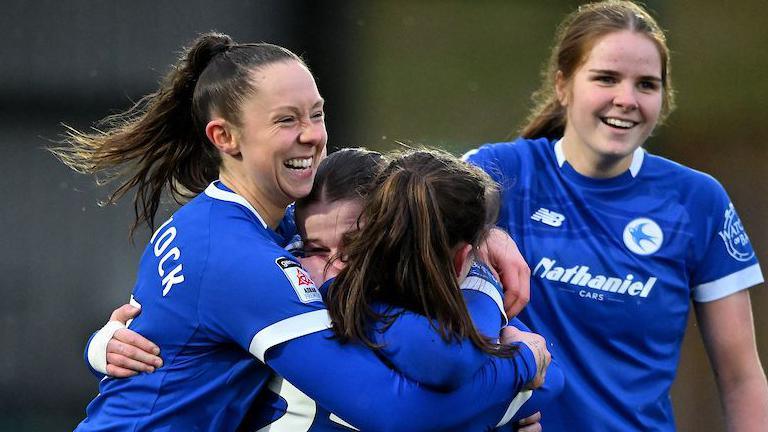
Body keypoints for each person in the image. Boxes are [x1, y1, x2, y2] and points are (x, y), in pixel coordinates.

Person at [54, 32, 549, 431]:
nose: (312, 134)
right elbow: (399, 413)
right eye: (287, 120)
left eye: (317, 113)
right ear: (225, 137)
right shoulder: (239, 257)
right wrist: (521, 365)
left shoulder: (258, 224)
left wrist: (481, 234)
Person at [90, 148, 564, 431]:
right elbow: (428, 388)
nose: (336, 264)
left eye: (356, 244)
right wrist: (518, 365)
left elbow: (551, 379)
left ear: (393, 234)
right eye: (316, 248)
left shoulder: (417, 296)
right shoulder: (282, 282)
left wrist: (482, 254)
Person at [464, 1, 768, 430]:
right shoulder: (500, 173)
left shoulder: (698, 201)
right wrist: (485, 231)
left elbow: (741, 377)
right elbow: (404, 216)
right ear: (563, 85)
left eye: (646, 84)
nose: (626, 99)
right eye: (606, 78)